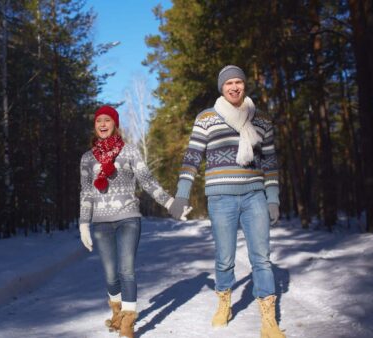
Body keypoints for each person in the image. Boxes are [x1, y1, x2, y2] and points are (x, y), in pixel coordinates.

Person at [167, 65, 285, 337]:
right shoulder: (206, 118)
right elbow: (193, 156)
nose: (234, 87)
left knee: (262, 259)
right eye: (229, 83)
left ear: (245, 85)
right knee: (224, 258)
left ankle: (268, 319)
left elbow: (269, 161)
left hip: (255, 195)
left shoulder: (262, 120)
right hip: (221, 198)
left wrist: (273, 198)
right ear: (222, 87)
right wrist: (182, 194)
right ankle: (224, 303)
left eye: (238, 82)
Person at [78, 105, 184, 338]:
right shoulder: (87, 159)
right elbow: (86, 193)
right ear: (95, 126)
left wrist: (169, 203)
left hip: (128, 218)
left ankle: (128, 322)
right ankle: (116, 312)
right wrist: (83, 223)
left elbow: (147, 181)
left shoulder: (129, 151)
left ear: (115, 124)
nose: (103, 124)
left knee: (127, 270)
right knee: (110, 274)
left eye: (108, 120)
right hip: (101, 223)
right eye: (99, 121)